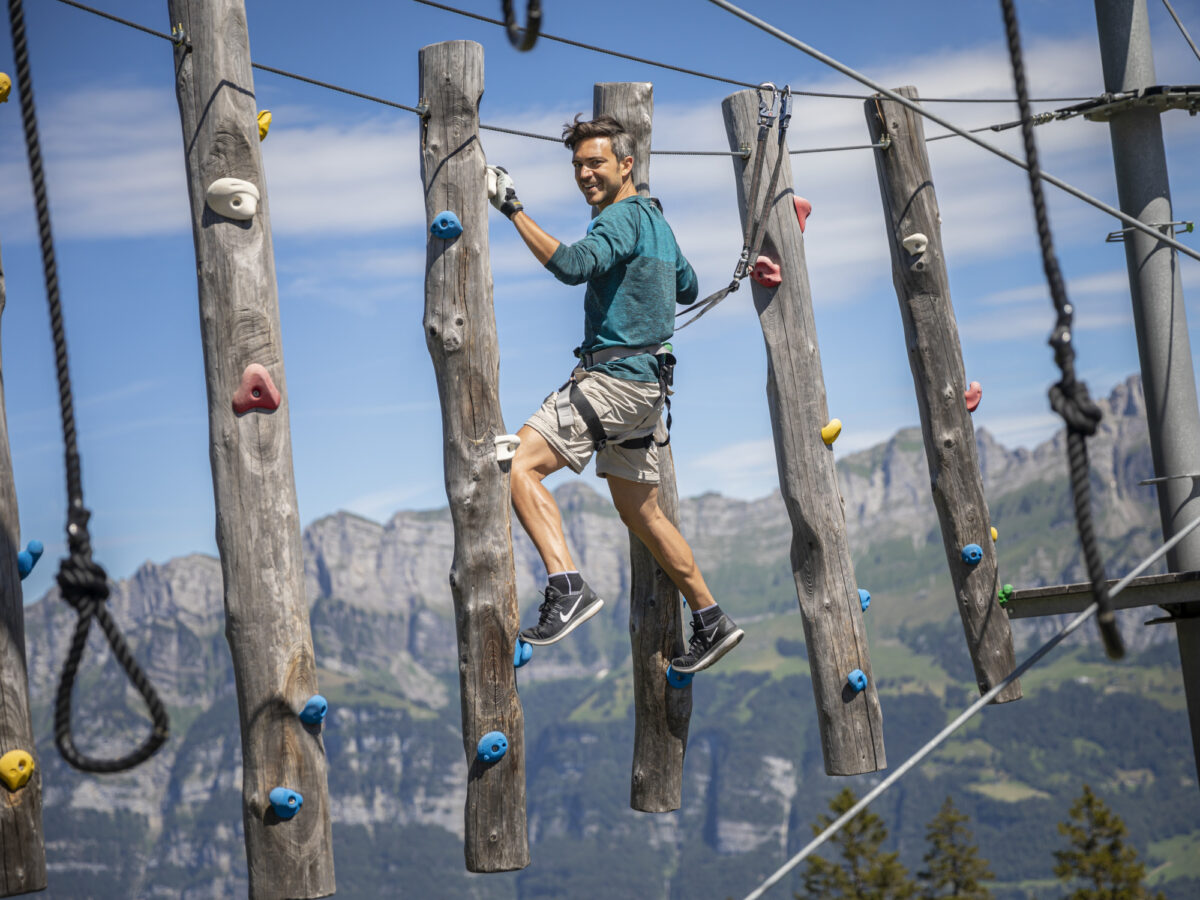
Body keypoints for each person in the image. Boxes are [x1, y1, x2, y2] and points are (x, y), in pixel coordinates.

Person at [486, 114, 743, 675]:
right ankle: (710, 617)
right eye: (578, 164)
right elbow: (689, 285)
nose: (584, 173)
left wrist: (512, 210)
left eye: (595, 162)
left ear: (627, 165)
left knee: (519, 468)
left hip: (612, 383)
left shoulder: (621, 219)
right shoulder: (656, 221)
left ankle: (566, 585)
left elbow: (574, 266)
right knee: (641, 511)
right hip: (648, 392)